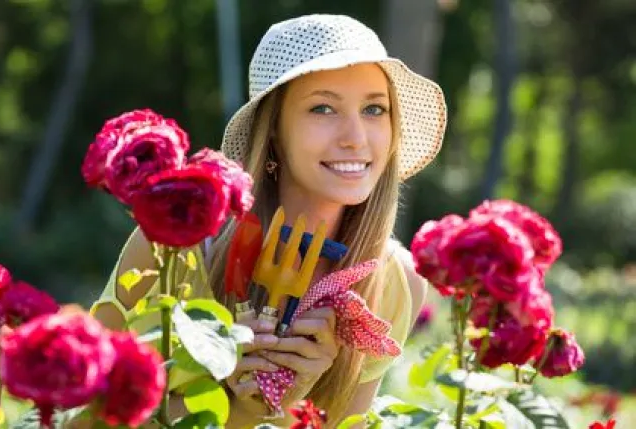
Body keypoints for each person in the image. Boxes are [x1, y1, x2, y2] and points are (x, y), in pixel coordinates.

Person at [90, 13, 447, 428]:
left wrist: (293, 405)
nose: (356, 136)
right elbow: (87, 412)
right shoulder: (177, 245)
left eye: (374, 108)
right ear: (274, 130)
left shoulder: (394, 284)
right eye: (323, 108)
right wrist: (238, 409)